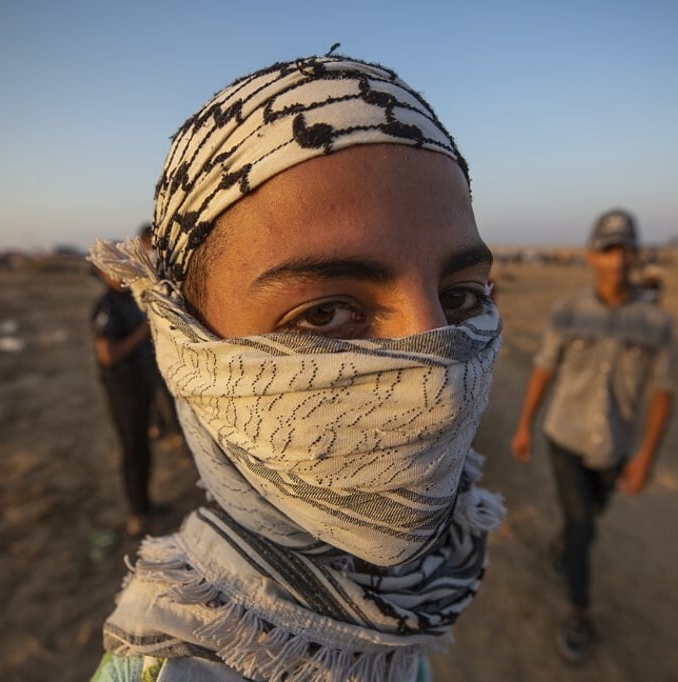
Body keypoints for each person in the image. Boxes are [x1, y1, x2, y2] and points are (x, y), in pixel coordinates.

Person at [88, 52, 505, 682]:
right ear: (184, 342)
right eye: (326, 314)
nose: (438, 383)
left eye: (462, 298)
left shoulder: (421, 591)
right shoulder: (177, 667)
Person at [510, 209, 677, 663]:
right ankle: (579, 612)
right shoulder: (567, 312)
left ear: (637, 257)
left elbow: (663, 391)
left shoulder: (656, 324)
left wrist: (645, 458)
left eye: (626, 250)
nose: (617, 260)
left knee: (588, 519)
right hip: (565, 436)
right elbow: (544, 368)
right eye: (608, 250)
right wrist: (525, 423)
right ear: (591, 257)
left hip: (616, 447)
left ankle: (564, 543)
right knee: (584, 527)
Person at [90, 264, 159, 537]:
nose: (120, 275)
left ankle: (146, 503)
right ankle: (137, 514)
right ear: (103, 273)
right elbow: (107, 355)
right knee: (132, 449)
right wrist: (142, 333)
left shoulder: (130, 299)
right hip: (123, 390)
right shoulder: (106, 307)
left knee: (144, 448)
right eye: (113, 270)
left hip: (142, 386)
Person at [136, 223, 185, 442]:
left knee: (166, 390)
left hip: (163, 340)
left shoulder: (159, 265)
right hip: (153, 342)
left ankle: (169, 426)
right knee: (160, 390)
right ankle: (165, 425)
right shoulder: (146, 268)